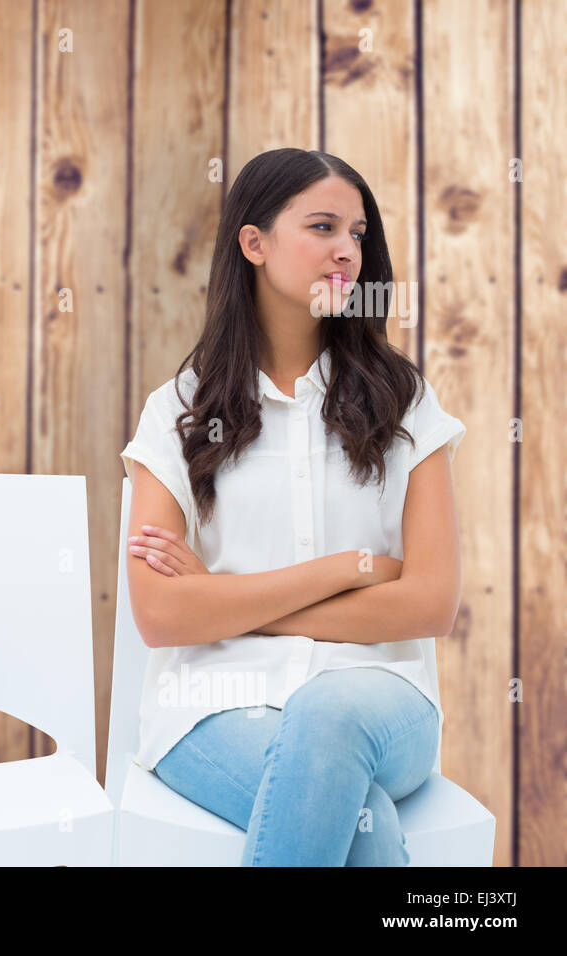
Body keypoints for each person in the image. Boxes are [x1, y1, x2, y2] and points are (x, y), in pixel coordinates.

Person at [121, 147, 464, 866]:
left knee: (328, 711)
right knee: (364, 824)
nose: (348, 251)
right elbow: (161, 616)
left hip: (382, 701)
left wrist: (223, 599)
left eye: (358, 234)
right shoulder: (178, 412)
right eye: (323, 228)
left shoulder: (407, 403)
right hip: (212, 708)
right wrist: (345, 571)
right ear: (254, 243)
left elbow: (430, 602)